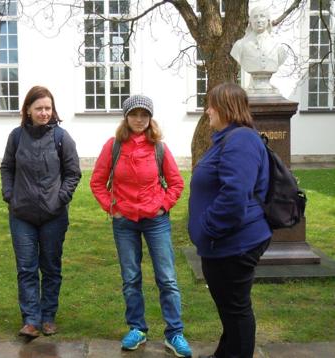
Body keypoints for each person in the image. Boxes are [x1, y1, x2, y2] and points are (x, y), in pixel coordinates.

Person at [90, 95, 192, 357]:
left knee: (167, 277)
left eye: (144, 115)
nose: (139, 119)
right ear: (126, 117)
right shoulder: (113, 147)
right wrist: (111, 207)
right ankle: (137, 328)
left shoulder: (158, 147)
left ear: (150, 118)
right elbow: (98, 182)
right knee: (131, 277)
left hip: (156, 221)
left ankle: (175, 333)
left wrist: (163, 205)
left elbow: (176, 183)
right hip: (124, 222)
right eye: (134, 114)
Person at [188, 83, 272, 358]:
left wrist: (208, 228)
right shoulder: (229, 138)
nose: (207, 110)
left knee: (236, 310)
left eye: (211, 104)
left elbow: (235, 196)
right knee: (230, 308)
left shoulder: (241, 140)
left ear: (225, 107)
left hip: (234, 242)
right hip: (225, 242)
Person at [0, 85, 81, 338]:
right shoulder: (16, 137)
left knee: (51, 268)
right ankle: (31, 320)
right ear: (28, 110)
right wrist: (10, 195)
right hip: (21, 215)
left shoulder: (61, 138)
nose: (44, 113)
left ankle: (48, 317)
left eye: (48, 108)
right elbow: (6, 168)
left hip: (53, 216)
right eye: (39, 108)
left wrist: (61, 199)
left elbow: (73, 173)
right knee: (26, 269)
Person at [230, 7, 287, 93]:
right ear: (250, 21)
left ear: (268, 20)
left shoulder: (278, 47)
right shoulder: (240, 45)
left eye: (262, 16)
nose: (259, 20)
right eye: (255, 17)